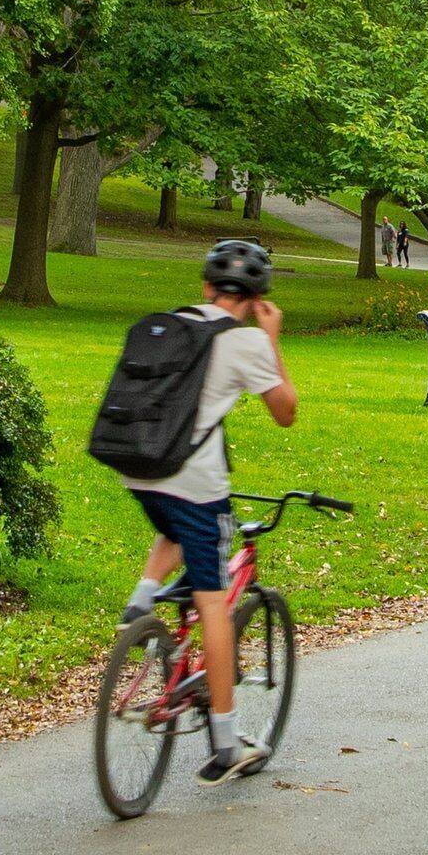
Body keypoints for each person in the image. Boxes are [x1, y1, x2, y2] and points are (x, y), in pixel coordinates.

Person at [124, 237, 297, 782]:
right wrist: (270, 341)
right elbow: (286, 412)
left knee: (172, 522)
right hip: (196, 483)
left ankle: (140, 603)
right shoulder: (245, 341)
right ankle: (226, 743)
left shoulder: (174, 322)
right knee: (214, 600)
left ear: (205, 287)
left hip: (138, 467)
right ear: (258, 296)